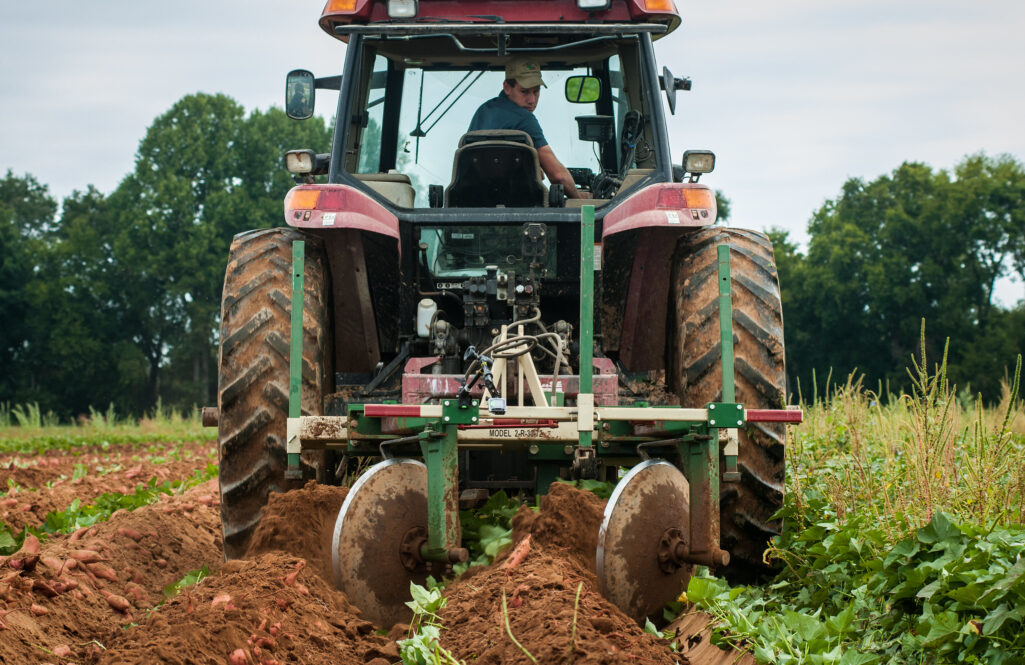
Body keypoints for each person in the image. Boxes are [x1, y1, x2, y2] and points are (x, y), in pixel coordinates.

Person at [468, 58, 582, 199]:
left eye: (536, 91)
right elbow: (558, 176)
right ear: (507, 87)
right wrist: (580, 199)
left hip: (473, 202)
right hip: (518, 206)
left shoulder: (483, 111)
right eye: (524, 91)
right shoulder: (524, 119)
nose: (532, 100)